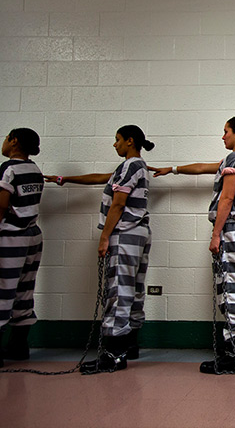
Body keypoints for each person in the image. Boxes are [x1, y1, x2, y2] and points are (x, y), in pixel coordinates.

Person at [151, 115, 235, 375]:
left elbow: (227, 196)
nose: (222, 136)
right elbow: (203, 168)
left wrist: (216, 234)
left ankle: (233, 356)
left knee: (232, 290)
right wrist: (174, 169)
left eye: (225, 132)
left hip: (231, 230)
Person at [45, 125, 154, 373]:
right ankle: (128, 346)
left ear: (129, 141)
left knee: (118, 289)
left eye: (117, 140)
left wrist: (104, 237)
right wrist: (64, 179)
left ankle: (113, 355)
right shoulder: (137, 166)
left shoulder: (129, 166)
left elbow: (118, 204)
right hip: (138, 233)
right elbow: (100, 178)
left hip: (124, 233)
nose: (114, 144)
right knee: (133, 289)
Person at [0, 129, 43, 368]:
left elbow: (1, 205)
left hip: (11, 236)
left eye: (6, 138)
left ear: (14, 141)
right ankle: (19, 346)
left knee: (3, 290)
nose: (4, 142)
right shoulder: (35, 169)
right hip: (33, 236)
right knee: (25, 291)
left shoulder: (7, 169)